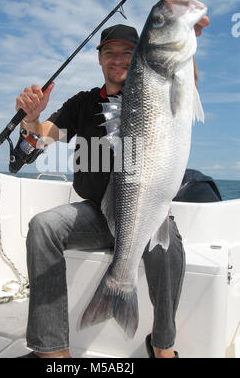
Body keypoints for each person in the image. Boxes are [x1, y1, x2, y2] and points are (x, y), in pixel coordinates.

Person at [16, 18, 210, 359]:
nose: (118, 59)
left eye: (127, 52)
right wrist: (31, 119)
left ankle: (163, 346)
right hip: (95, 214)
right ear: (100, 58)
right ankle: (52, 352)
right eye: (110, 52)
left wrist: (184, 41)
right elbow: (42, 138)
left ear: (139, 58)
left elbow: (185, 82)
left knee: (169, 247)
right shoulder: (82, 103)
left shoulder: (160, 96)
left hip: (146, 213)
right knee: (43, 226)